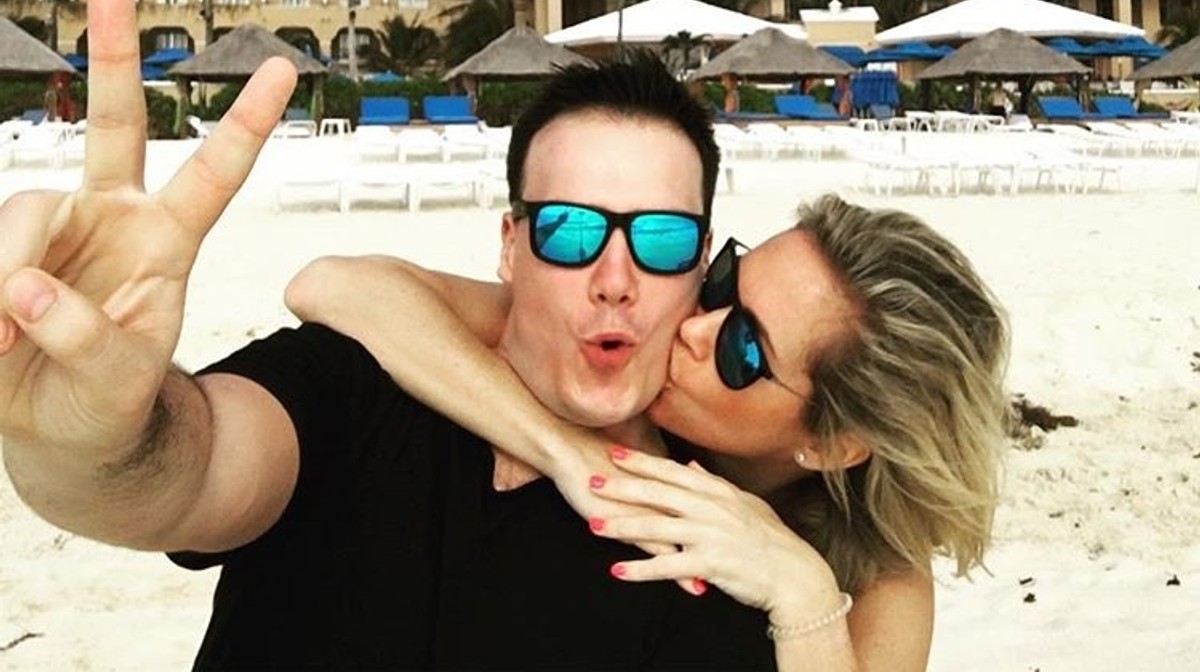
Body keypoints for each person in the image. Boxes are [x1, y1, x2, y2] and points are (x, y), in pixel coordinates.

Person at [0, 0, 777, 670]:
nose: (614, 282)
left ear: (701, 260)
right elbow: (186, 475)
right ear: (510, 248)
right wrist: (98, 439)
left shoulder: (713, 547)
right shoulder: (355, 384)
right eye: (569, 232)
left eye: (663, 239)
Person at [287, 195, 1011, 672]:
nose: (693, 329)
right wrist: (565, 450)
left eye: (742, 349)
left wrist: (804, 594)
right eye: (722, 281)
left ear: (831, 445)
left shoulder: (880, 571)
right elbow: (332, 285)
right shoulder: (628, 353)